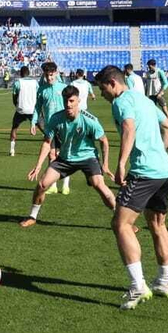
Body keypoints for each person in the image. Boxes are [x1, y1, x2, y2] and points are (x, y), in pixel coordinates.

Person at [94, 65, 168, 310]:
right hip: (165, 170)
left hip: (144, 172)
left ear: (112, 83)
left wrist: (121, 163)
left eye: (102, 89)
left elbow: (128, 127)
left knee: (120, 224)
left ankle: (138, 285)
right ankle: (164, 281)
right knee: (157, 225)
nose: (102, 95)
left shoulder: (121, 102)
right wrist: (158, 152)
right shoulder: (145, 100)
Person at [20, 84, 115, 227]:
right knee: (42, 184)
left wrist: (105, 165)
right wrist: (38, 166)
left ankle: (122, 220)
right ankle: (32, 216)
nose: (68, 104)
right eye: (66, 101)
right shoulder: (56, 118)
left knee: (99, 186)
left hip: (87, 157)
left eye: (71, 101)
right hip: (65, 159)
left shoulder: (90, 120)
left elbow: (103, 140)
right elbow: (47, 142)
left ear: (78, 101)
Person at [33, 62, 69, 194]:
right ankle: (53, 185)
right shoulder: (42, 90)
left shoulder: (63, 88)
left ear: (56, 73)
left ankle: (65, 184)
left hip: (64, 126)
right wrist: (33, 122)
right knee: (51, 155)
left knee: (65, 155)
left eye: (51, 74)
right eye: (47, 75)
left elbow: (70, 107)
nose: (49, 77)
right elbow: (37, 107)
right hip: (50, 127)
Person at [8, 64, 39, 157]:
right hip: (32, 110)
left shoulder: (18, 83)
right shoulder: (35, 82)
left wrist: (16, 106)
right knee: (44, 128)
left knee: (14, 128)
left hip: (21, 109)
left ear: (21, 74)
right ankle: (53, 147)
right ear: (29, 73)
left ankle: (12, 150)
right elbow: (38, 95)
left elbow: (14, 96)